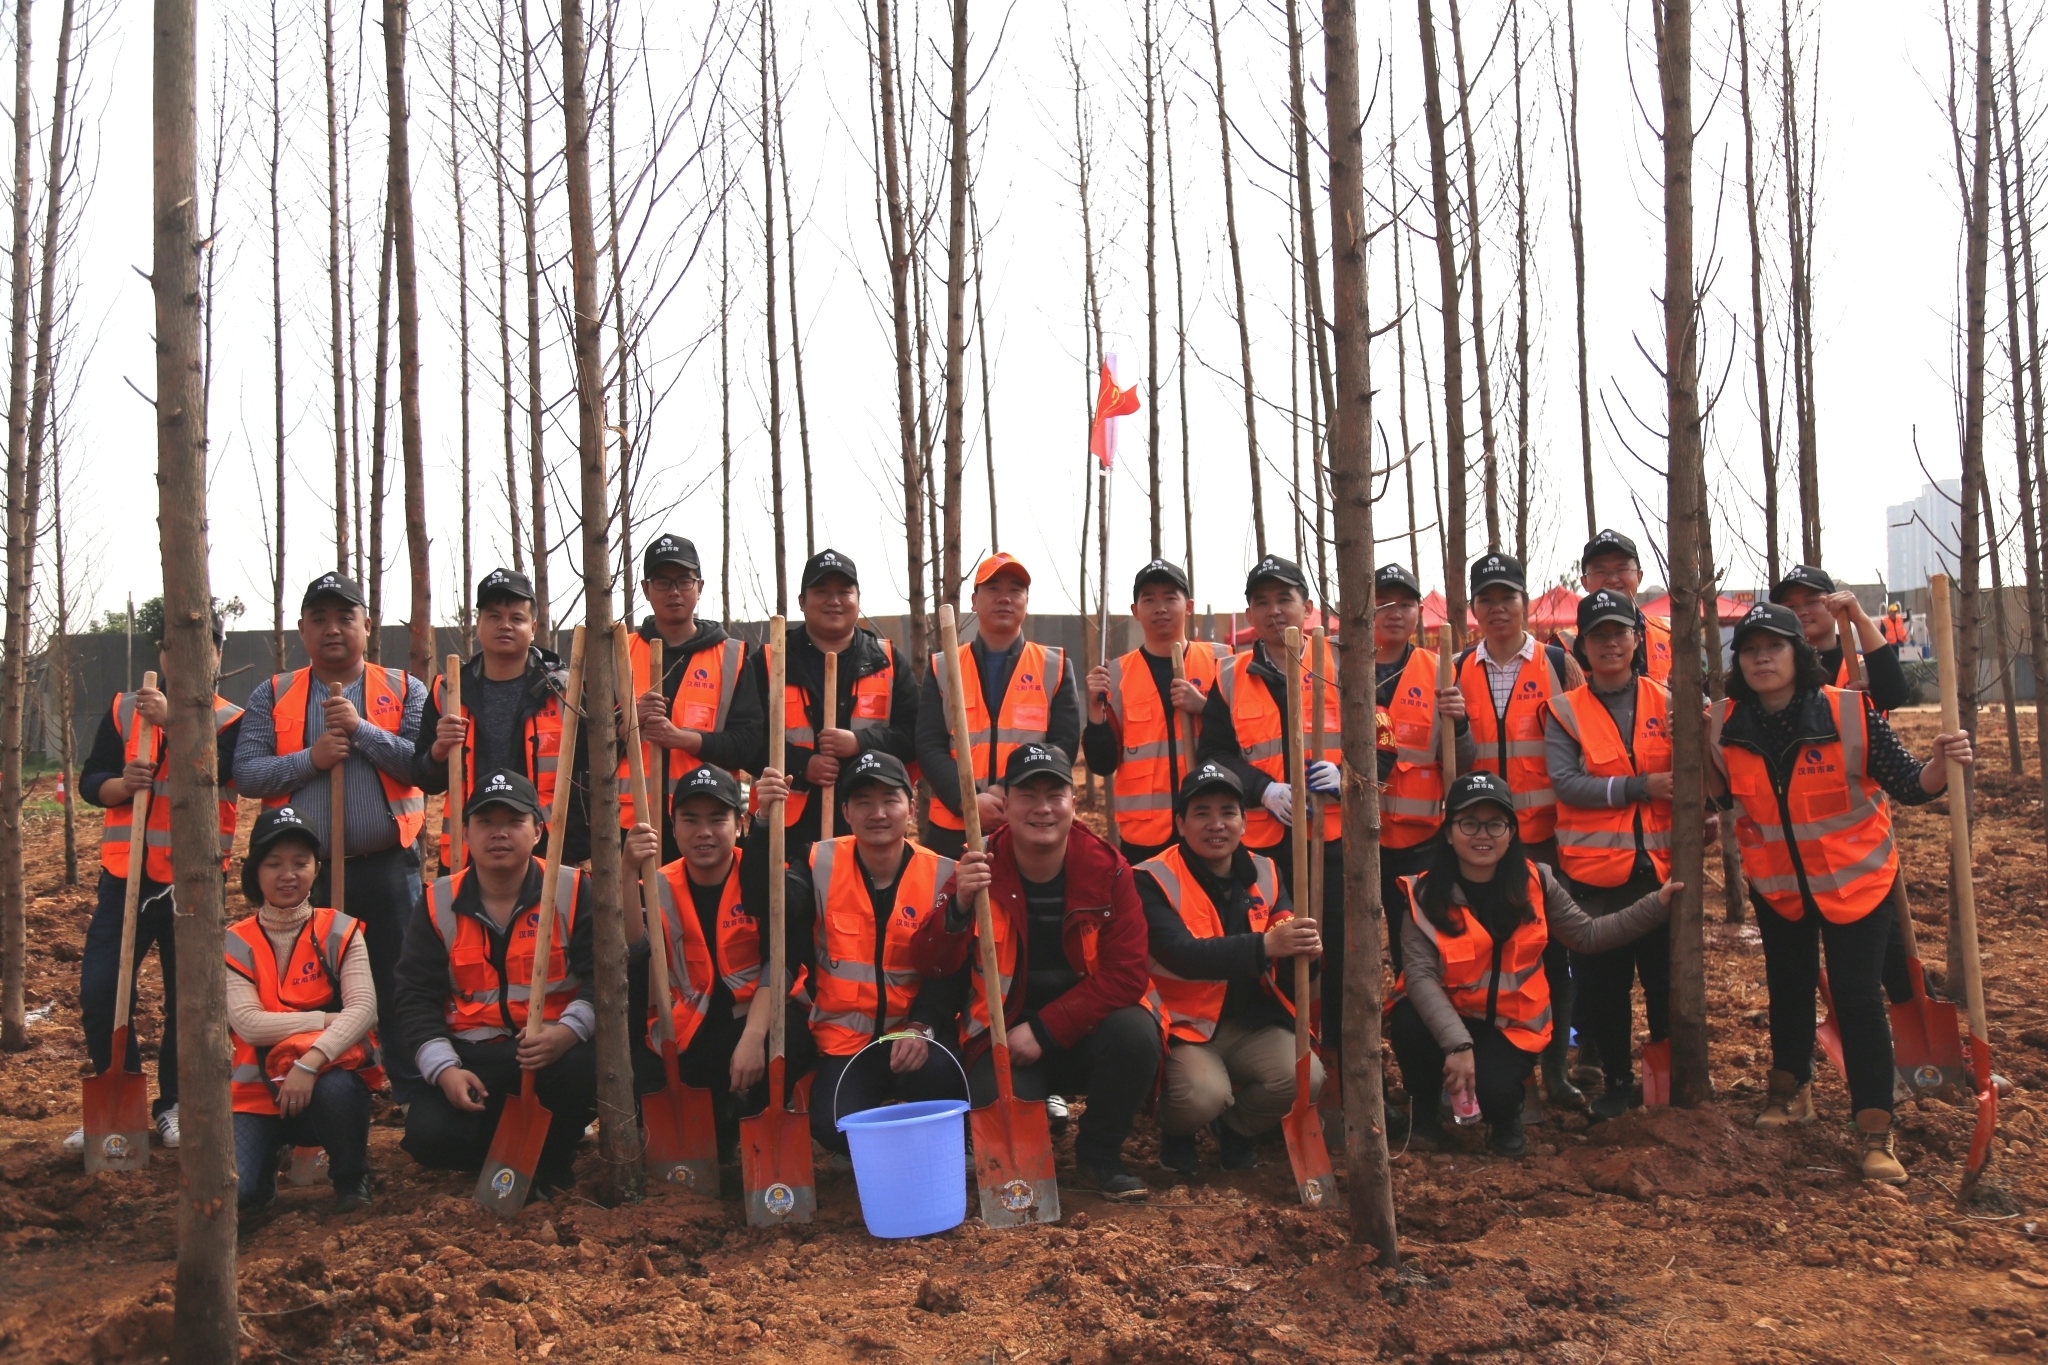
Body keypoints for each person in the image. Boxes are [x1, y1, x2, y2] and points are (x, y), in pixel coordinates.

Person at [1709, 602, 1973, 1184]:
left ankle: (1875, 1129)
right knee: (1788, 990)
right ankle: (1790, 1092)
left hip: (1856, 883)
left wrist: (1938, 764)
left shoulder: (1849, 713)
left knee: (1856, 999)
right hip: (1778, 886)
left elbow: (1910, 784)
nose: (1761, 659)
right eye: (1750, 650)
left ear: (1797, 655)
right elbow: (1719, 799)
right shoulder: (1723, 724)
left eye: (1773, 647)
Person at [912, 744, 1164, 1201]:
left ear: (1073, 803)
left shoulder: (1109, 870)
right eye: (1028, 795)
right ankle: (1024, 1140)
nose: (1042, 808)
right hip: (1002, 1039)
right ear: (1006, 804)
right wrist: (959, 906)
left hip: (1085, 1033)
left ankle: (1099, 1157)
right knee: (1012, 1152)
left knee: (1136, 1033)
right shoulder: (978, 865)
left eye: (1055, 795)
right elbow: (932, 963)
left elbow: (1128, 975)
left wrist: (1045, 1030)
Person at [391, 769, 660, 1196]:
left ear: (537, 832)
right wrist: (446, 1071)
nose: (499, 833)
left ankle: (551, 1156)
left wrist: (567, 1033)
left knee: (586, 1070)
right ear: (466, 833)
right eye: (486, 822)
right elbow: (415, 996)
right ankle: (504, 1150)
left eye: (514, 822)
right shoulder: (437, 901)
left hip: (552, 1053)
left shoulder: (573, 890)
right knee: (430, 1138)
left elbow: (605, 978)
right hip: (473, 1056)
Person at [1389, 772, 1679, 1156]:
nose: (1482, 835)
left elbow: (1588, 935)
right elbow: (1420, 977)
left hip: (1511, 1027)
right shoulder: (1423, 894)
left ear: (1511, 832)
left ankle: (1506, 1118)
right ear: (1448, 832)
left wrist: (1656, 905)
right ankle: (1425, 1117)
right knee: (1408, 1019)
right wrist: (1457, 1044)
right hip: (1448, 1020)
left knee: (1496, 1092)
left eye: (1495, 824)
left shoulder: (1537, 882)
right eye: (1469, 823)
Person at [66, 617, 242, 1156]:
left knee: (187, 1000)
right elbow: (91, 779)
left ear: (217, 653)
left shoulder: (231, 720)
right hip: (126, 878)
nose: (184, 656)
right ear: (161, 653)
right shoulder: (126, 709)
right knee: (102, 990)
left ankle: (175, 1105)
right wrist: (120, 785)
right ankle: (118, 1100)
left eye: (202, 646)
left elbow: (227, 772)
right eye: (172, 647)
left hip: (196, 881)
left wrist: (178, 723)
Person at [743, 751, 975, 1157]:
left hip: (914, 1036)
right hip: (845, 1044)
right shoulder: (817, 863)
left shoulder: (945, 876)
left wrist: (922, 1026)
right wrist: (762, 823)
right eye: (864, 802)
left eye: (889, 800)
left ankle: (925, 1140)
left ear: (911, 808)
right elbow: (767, 903)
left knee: (945, 1083)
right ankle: (883, 1141)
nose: (878, 813)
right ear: (846, 812)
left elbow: (950, 972)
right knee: (833, 1127)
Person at [234, 572, 428, 1043]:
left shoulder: (405, 688)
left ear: (367, 626)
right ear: (303, 630)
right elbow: (248, 774)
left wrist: (362, 730)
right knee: (316, 986)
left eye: (345, 617)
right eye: (319, 619)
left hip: (389, 868)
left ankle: (406, 1076)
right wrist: (310, 760)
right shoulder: (272, 693)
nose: (333, 629)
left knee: (402, 984)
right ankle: (327, 1069)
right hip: (307, 874)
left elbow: (423, 768)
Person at [1136, 762, 1320, 1176]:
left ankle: (1234, 1129)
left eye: (1228, 812)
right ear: (1180, 824)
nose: (1216, 824)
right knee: (1202, 1095)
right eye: (1202, 813)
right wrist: (1266, 945)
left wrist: (1305, 951)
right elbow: (1181, 954)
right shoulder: (1150, 879)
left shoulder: (1267, 872)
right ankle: (1178, 1133)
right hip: (1182, 1027)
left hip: (1248, 1023)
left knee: (1306, 1076)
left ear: (1243, 822)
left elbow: (1286, 940)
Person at [1453, 553, 1585, 1114]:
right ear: (1474, 608)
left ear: (1524, 603)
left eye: (1507, 597)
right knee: (1491, 956)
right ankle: (1507, 1073)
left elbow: (1585, 736)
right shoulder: (1459, 668)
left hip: (1547, 839)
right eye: (1486, 599)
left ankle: (1556, 1068)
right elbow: (1455, 755)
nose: (1498, 608)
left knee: (1553, 955)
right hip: (1484, 844)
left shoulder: (1557, 663)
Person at [1196, 555, 1346, 1039]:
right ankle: (1281, 1047)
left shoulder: (1341, 663)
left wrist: (1347, 775)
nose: (1274, 610)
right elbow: (1213, 754)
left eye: (1285, 598)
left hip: (1332, 840)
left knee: (1338, 951)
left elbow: (1382, 742)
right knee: (1272, 948)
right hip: (1263, 850)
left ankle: (1338, 1055)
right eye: (1261, 602)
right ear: (1250, 614)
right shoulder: (1229, 676)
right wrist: (1263, 789)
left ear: (1308, 606)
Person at [1545, 590, 1676, 1120]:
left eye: (1620, 632)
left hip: (1661, 871)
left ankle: (1668, 1078)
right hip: (1595, 878)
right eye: (1598, 635)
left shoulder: (1668, 702)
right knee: (1606, 989)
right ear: (1582, 647)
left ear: (1637, 639)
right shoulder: (1564, 712)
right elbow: (1566, 783)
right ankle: (1618, 1081)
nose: (1611, 643)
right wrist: (1639, 787)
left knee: (1665, 983)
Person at [637, 763, 815, 1148]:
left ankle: (756, 1111)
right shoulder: (655, 886)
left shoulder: (763, 875)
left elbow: (780, 961)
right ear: (672, 827)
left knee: (790, 1040)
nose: (704, 832)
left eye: (718, 819)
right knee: (653, 1089)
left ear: (738, 825)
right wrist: (624, 866)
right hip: (692, 1027)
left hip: (757, 1018)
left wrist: (753, 1036)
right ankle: (723, 1119)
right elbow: (631, 954)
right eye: (690, 820)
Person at [224, 806, 379, 1214]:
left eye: (300, 862)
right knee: (242, 1198)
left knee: (340, 1088)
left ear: (316, 869)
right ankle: (266, 1170)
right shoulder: (234, 942)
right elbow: (249, 1025)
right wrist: (327, 1019)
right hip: (256, 1093)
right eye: (273, 863)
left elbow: (364, 1009)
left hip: (322, 1081)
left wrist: (308, 1064)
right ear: (255, 872)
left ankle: (351, 1178)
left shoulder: (341, 930)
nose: (287, 874)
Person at [741, 549, 918, 858]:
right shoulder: (770, 662)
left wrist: (860, 742)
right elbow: (745, 740)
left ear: (858, 599)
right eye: (821, 591)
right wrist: (801, 764)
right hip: (787, 826)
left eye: (844, 591)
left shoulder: (888, 660)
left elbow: (914, 735)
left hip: (870, 824)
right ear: (802, 601)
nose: (833, 601)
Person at [413, 568, 584, 871]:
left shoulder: (565, 690)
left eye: (516, 618)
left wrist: (574, 845)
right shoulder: (448, 690)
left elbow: (588, 773)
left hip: (549, 853)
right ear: (478, 624)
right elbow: (425, 779)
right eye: (494, 616)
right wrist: (438, 751)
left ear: (533, 627)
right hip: (468, 853)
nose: (505, 625)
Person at [916, 553, 1081, 859]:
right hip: (953, 825)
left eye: (1015, 590)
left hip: (1028, 823)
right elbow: (928, 744)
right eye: (993, 589)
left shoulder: (1054, 666)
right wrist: (967, 801)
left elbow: (1063, 744)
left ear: (1027, 603)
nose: (1004, 598)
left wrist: (1008, 792)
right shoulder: (943, 666)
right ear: (974, 601)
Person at [1083, 559, 1230, 864]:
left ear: (1188, 606)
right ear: (1135, 611)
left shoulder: (1222, 661)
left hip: (1211, 827)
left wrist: (1205, 708)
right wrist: (1095, 710)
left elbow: (1244, 739)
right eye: (1149, 600)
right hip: (1145, 837)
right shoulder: (1116, 675)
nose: (1160, 608)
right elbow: (1102, 763)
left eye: (1170, 598)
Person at [624, 535, 756, 860]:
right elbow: (586, 747)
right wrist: (628, 722)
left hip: (707, 823)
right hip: (633, 825)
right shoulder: (618, 654)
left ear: (700, 587)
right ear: (645, 589)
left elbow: (750, 745)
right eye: (662, 582)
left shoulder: (733, 658)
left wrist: (682, 739)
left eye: (684, 581)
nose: (674, 591)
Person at [1370, 562, 1473, 974]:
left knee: (1416, 938)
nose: (1394, 613)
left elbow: (1461, 761)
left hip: (1420, 840)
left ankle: (1413, 1000)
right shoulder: (1340, 668)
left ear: (1419, 612)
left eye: (1405, 604)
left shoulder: (1440, 671)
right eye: (1383, 603)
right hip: (1355, 836)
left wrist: (1460, 724)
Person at [1769, 565, 1912, 713]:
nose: (1801, 611)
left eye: (1811, 601)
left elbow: (1895, 696)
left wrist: (1860, 618)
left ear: (1835, 603)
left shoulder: (1862, 668)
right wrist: (1840, 703)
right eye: (1790, 606)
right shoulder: (1775, 669)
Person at [1578, 529, 1672, 680]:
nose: (1612, 579)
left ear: (1639, 576)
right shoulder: (1564, 645)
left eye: (1622, 569)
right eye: (1600, 571)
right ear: (1584, 582)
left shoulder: (1669, 635)